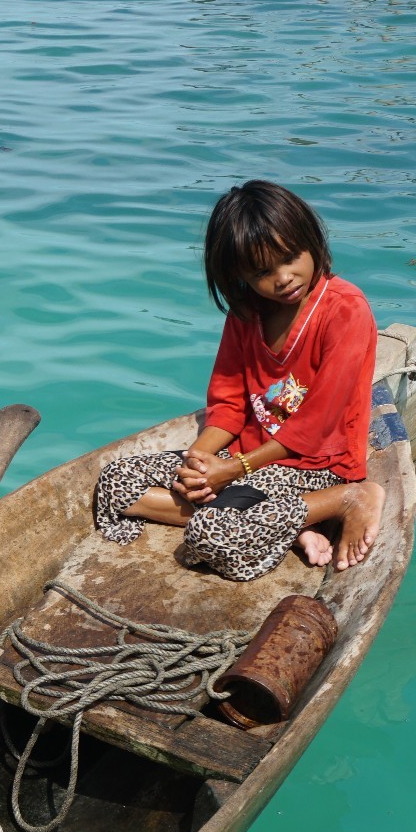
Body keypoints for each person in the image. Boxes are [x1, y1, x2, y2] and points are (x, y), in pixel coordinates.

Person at [93, 179, 385, 582]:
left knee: (212, 535)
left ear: (312, 241)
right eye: (264, 271)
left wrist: (230, 472)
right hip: (245, 460)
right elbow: (228, 405)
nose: (284, 278)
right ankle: (291, 522)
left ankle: (347, 500)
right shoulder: (247, 314)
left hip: (317, 464)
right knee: (116, 481)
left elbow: (315, 428)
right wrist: (196, 467)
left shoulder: (346, 311)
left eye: (291, 257)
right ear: (240, 276)